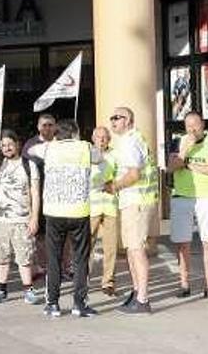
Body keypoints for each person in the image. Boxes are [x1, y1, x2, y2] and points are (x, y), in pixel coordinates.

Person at [30, 120, 97, 318]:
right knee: (80, 259)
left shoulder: (48, 149)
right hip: (79, 212)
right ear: (76, 133)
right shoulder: (85, 148)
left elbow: (31, 150)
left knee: (54, 259)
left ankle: (52, 303)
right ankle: (79, 304)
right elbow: (101, 158)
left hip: (54, 212)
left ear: (58, 134)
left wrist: (50, 143)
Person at [166, 112, 208, 299]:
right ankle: (184, 284)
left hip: (205, 196)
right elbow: (171, 167)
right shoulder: (178, 141)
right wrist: (184, 151)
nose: (192, 129)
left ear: (203, 125)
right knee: (183, 243)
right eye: (188, 126)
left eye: (195, 125)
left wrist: (188, 165)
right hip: (182, 195)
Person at [109, 107, 159, 315]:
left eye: (117, 117)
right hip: (134, 201)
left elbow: (134, 175)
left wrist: (115, 186)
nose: (113, 121)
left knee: (136, 250)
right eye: (111, 118)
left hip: (137, 202)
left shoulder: (131, 141)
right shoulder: (128, 140)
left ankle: (142, 299)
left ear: (128, 120)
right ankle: (137, 292)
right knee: (131, 250)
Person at [0, 129, 40, 305]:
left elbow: (35, 194)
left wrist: (34, 218)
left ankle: (28, 289)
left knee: (25, 257)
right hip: (0, 220)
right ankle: (1, 289)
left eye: (9, 144)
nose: (6, 148)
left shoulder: (29, 166)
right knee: (1, 258)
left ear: (17, 144)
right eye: (3, 145)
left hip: (22, 220)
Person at [22, 113, 58, 282]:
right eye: (44, 125)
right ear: (38, 127)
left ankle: (63, 268)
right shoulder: (30, 145)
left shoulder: (62, 144)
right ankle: (44, 267)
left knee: (62, 237)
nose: (47, 128)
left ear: (56, 127)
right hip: (39, 196)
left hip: (60, 197)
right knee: (40, 236)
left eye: (50, 125)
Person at [88, 127, 119, 296]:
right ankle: (83, 278)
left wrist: (112, 183)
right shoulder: (87, 153)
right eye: (98, 137)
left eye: (105, 137)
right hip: (91, 206)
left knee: (110, 246)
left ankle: (108, 282)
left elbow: (119, 176)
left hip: (110, 205)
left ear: (109, 139)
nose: (101, 140)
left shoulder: (115, 155)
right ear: (93, 138)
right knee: (87, 245)